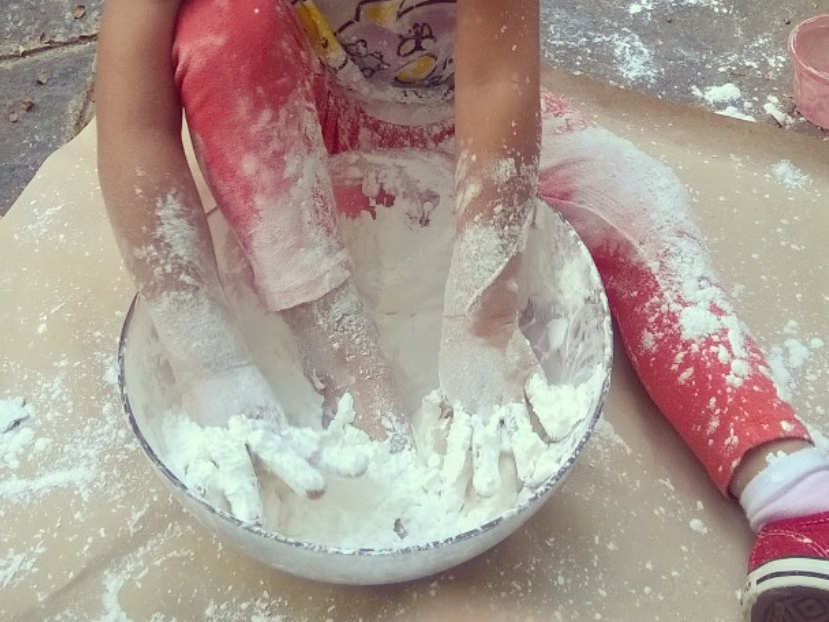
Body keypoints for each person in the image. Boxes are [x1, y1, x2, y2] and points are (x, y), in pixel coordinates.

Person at [95, 0, 829, 619]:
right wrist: (208, 357)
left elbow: (497, 78)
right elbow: (134, 123)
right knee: (225, 22)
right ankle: (337, 345)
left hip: (464, 119)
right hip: (297, 139)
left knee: (640, 199)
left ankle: (786, 482)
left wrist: (482, 316)